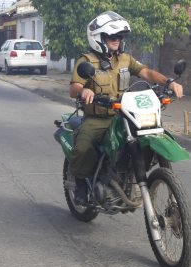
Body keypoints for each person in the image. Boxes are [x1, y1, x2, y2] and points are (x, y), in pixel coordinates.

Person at [69, 11, 184, 205]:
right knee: (84, 145)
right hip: (99, 118)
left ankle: (134, 173)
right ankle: (80, 182)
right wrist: (83, 92)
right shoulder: (86, 61)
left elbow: (145, 72)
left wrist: (169, 83)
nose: (117, 40)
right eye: (112, 36)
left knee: (150, 134)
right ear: (99, 38)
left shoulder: (124, 59)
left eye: (119, 36)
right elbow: (74, 87)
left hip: (125, 114)